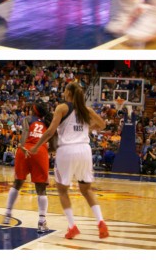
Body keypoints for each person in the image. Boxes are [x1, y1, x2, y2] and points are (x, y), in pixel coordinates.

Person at [29, 83, 109, 240]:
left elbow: (51, 131)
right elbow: (102, 124)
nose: (63, 92)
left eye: (65, 89)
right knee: (87, 190)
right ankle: (101, 223)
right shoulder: (87, 110)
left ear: (69, 93)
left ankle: (72, 226)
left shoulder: (62, 108)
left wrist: (37, 146)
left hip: (67, 150)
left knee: (62, 190)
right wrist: (86, 129)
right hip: (85, 150)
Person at [4, 102, 52, 233]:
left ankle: (7, 215)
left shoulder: (28, 119)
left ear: (34, 111)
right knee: (41, 188)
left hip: (25, 150)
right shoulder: (48, 122)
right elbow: (54, 142)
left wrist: (21, 146)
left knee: (17, 183)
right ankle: (42, 222)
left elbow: (25, 133)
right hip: (40, 151)